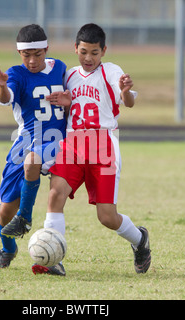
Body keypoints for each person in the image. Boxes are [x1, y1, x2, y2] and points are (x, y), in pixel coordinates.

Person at [32, 23, 151, 276]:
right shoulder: (71, 75)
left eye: (94, 53)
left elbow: (126, 102)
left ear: (103, 51)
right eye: (83, 51)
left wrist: (127, 92)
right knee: (55, 195)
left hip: (103, 145)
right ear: (75, 48)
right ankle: (53, 259)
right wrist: (67, 104)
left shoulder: (111, 71)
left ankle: (140, 239)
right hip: (73, 143)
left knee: (107, 217)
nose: (88, 58)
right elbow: (71, 108)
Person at [0, 24, 68, 269]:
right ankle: (8, 249)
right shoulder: (16, 74)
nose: (32, 61)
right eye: (26, 55)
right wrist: (2, 86)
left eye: (37, 54)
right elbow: (6, 98)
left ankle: (46, 248)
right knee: (4, 212)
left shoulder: (61, 68)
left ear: (46, 49)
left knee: (55, 198)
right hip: (26, 141)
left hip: (57, 140)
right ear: (19, 53)